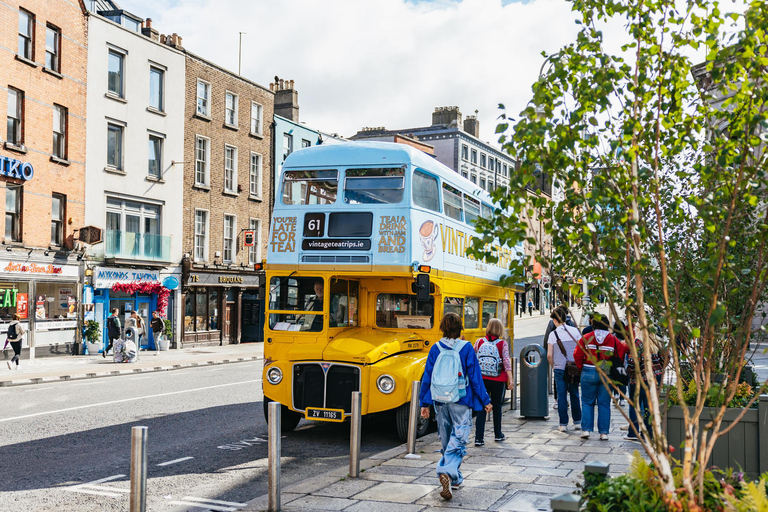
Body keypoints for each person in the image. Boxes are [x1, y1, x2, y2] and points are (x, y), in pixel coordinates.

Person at [419, 312, 491, 501]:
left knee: (446, 440)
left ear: (442, 327)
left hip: (440, 401)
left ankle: (455, 479)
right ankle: (447, 470)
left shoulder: (435, 348)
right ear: (460, 328)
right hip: (461, 400)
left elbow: (428, 377)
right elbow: (475, 377)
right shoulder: (466, 348)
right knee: (458, 439)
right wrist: (485, 400)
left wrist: (424, 403)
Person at [574, 313, 627, 440]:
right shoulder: (613, 339)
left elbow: (577, 354)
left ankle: (586, 430)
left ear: (593, 324)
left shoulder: (586, 337)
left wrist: (582, 368)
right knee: (604, 404)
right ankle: (604, 433)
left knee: (587, 402)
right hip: (606, 372)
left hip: (588, 370)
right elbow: (620, 355)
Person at [473, 318, 513, 446]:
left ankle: (479, 438)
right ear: (500, 329)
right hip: (498, 379)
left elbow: (474, 357)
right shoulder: (502, 343)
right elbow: (506, 362)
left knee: (481, 407)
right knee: (497, 406)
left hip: (482, 379)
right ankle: (498, 434)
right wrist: (510, 379)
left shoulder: (479, 342)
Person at [547, 308, 582, 432]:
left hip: (559, 368)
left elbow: (549, 355)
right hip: (574, 368)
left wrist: (553, 365)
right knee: (574, 393)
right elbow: (581, 349)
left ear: (556, 320)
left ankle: (563, 424)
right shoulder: (575, 331)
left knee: (561, 395)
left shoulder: (553, 334)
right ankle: (577, 421)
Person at [625, 333, 664, 441]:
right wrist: (658, 368)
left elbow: (633, 362)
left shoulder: (638, 343)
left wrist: (629, 371)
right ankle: (647, 433)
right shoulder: (658, 341)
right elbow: (666, 357)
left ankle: (633, 433)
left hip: (639, 378)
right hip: (655, 377)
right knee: (649, 405)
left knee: (635, 405)